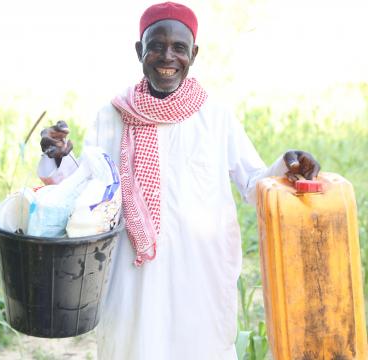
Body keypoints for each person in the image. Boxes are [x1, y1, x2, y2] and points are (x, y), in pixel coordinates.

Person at [40, 2, 320, 359]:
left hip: (200, 271)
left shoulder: (216, 117)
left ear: (194, 54)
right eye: (156, 46)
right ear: (140, 50)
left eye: (179, 48)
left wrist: (287, 165)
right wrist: (58, 156)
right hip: (132, 273)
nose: (166, 57)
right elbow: (86, 189)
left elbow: (253, 185)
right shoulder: (111, 115)